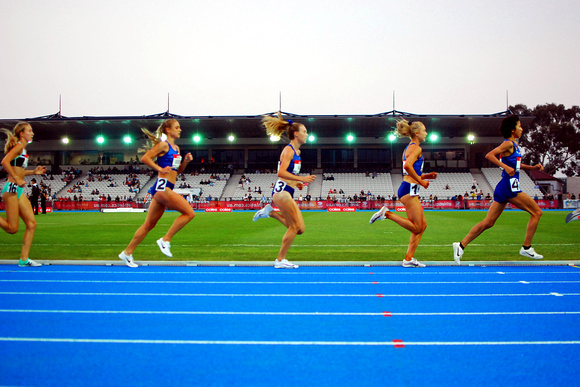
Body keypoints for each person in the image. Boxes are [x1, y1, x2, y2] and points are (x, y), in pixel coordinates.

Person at [452, 115, 544, 264]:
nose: (522, 129)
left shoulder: (514, 146)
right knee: (537, 212)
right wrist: (506, 167)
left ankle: (461, 245)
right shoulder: (508, 144)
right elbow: (490, 155)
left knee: (488, 222)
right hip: (508, 186)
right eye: (520, 126)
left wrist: (532, 167)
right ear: (513, 130)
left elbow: (517, 166)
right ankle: (526, 247)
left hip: (505, 186)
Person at [118, 119, 194, 267]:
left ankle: (127, 253)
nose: (180, 130)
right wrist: (159, 169)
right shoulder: (163, 145)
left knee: (149, 224)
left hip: (165, 187)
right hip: (163, 187)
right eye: (177, 127)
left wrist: (185, 161)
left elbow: (177, 171)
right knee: (189, 213)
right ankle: (165, 240)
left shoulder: (176, 148)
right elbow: (145, 158)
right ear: (168, 130)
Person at [369, 119, 437, 268]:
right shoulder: (416, 148)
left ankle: (408, 258)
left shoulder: (410, 148)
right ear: (417, 133)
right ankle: (386, 214)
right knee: (417, 227)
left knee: (422, 226)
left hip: (409, 187)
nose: (426, 133)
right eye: (425, 130)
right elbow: (407, 166)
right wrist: (421, 181)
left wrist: (425, 176)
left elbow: (409, 170)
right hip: (409, 189)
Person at [252, 112, 316, 269]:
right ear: (296, 134)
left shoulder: (298, 152)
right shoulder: (288, 150)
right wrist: (302, 179)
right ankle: (280, 260)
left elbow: (289, 174)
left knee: (299, 229)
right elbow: (280, 173)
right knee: (294, 227)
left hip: (288, 191)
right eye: (305, 131)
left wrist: (297, 182)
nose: (307, 134)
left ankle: (270, 212)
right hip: (282, 193)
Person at [1, 122, 47, 267]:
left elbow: (18, 169)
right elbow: (5, 162)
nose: (32, 133)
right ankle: (24, 259)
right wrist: (15, 178)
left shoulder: (23, 149)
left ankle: (24, 259)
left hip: (18, 190)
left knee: (31, 224)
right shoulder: (19, 147)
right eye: (29, 131)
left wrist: (34, 172)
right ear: (22, 133)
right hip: (12, 188)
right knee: (12, 229)